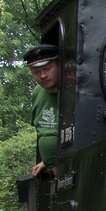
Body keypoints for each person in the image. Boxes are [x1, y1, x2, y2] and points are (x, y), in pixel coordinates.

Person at [26, 43, 62, 175]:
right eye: (36, 72)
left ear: (58, 65)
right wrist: (45, 161)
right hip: (51, 172)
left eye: (47, 69)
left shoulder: (74, 92)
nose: (42, 76)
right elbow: (43, 133)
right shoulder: (37, 93)